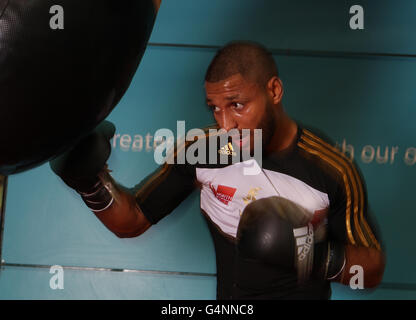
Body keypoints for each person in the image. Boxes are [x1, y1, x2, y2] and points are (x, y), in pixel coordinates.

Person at [51, 41, 385, 299]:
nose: (225, 125)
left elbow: (370, 270)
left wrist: (310, 253)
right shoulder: (204, 151)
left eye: (237, 105)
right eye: (215, 109)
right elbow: (134, 219)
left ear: (274, 91)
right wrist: (91, 184)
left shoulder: (330, 170)